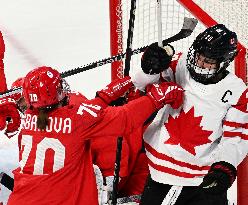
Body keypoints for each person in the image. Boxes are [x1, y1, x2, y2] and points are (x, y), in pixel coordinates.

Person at [3, 66, 183, 205]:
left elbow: (81, 115)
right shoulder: (77, 120)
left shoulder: (30, 119)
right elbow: (125, 119)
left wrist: (114, 91)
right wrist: (155, 98)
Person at [131, 24, 248, 205]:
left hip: (203, 181)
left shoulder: (236, 92)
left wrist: (225, 167)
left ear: (224, 62)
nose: (200, 64)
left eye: (209, 62)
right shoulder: (180, 63)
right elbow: (141, 85)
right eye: (200, 57)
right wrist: (149, 67)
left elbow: (235, 138)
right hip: (160, 173)